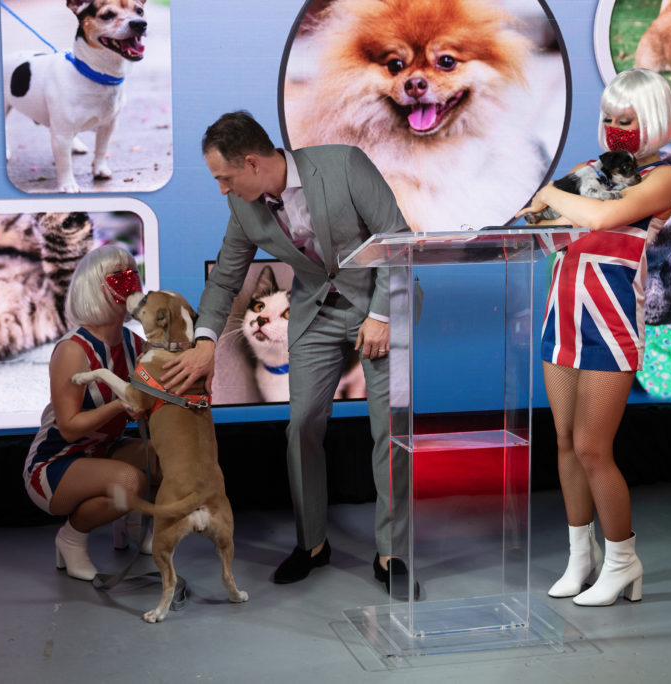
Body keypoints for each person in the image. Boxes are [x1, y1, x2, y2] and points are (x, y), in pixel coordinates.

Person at [162, 110, 414, 595]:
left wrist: (382, 315)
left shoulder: (343, 165)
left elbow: (396, 239)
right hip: (314, 313)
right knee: (301, 426)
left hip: (379, 306)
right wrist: (206, 340)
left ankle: (391, 552)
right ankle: (313, 545)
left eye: (225, 178)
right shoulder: (244, 207)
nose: (222, 190)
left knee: (390, 431)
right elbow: (226, 278)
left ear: (253, 163)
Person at [518, 68, 671, 606]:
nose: (615, 129)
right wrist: (532, 215)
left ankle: (622, 561)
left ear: (654, 118)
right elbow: (542, 232)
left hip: (610, 321)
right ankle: (580, 558)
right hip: (560, 315)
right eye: (609, 118)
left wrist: (548, 192)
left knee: (593, 448)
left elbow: (605, 215)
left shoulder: (666, 176)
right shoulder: (585, 170)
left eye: (627, 119)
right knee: (564, 443)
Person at [23, 244, 157, 581]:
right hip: (56, 462)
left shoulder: (133, 343)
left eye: (133, 275)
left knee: (164, 456)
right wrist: (119, 403)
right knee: (129, 481)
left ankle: (134, 526)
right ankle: (71, 538)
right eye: (119, 278)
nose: (130, 285)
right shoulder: (73, 350)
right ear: (94, 287)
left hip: (103, 450)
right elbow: (68, 429)